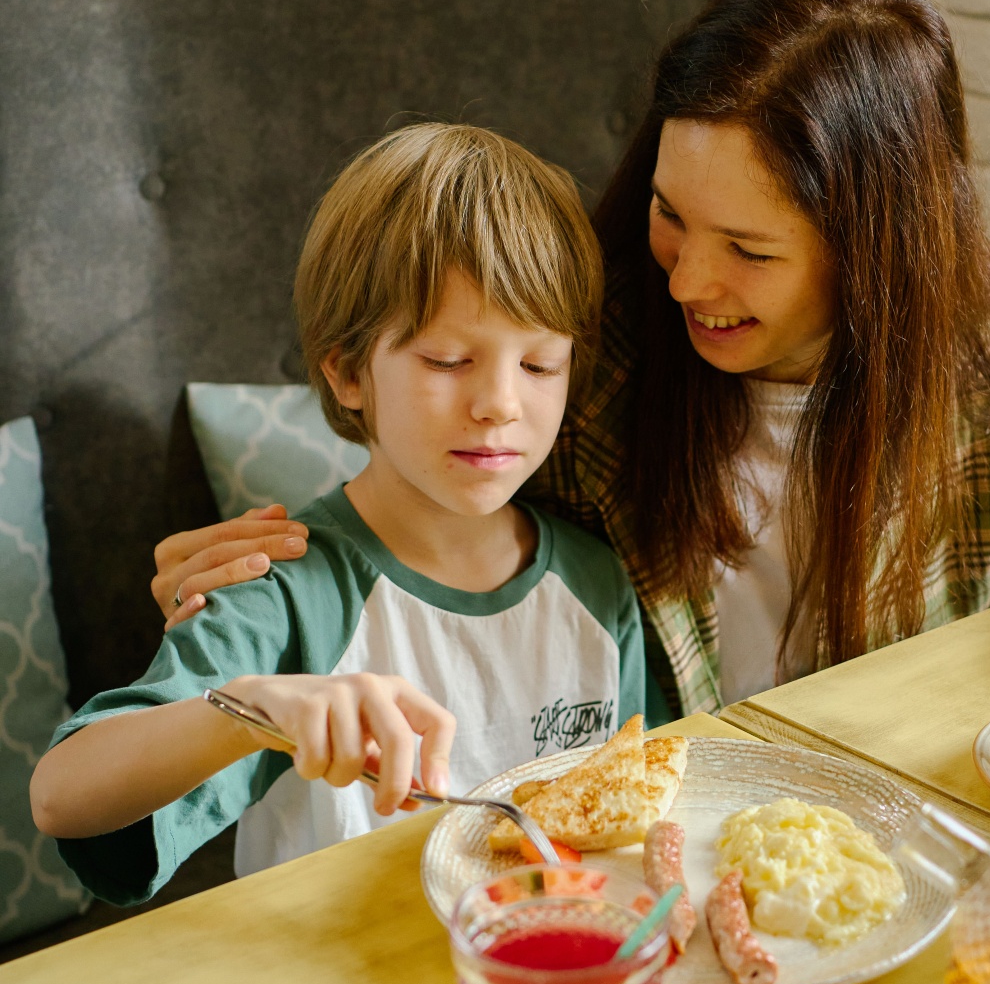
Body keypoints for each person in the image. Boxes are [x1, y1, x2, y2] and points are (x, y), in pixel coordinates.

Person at [147, 0, 990, 721]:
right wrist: (280, 586)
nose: (689, 277)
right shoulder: (594, 364)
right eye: (669, 214)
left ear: (879, 249)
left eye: (750, 251)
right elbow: (442, 519)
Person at [30, 124, 646, 902]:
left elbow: (632, 833)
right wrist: (249, 709)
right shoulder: (281, 587)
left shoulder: (596, 583)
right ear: (349, 371)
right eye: (449, 361)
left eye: (538, 364)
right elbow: (61, 795)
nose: (499, 404)